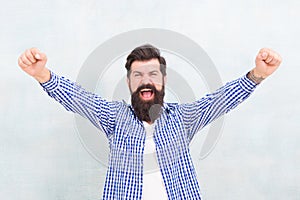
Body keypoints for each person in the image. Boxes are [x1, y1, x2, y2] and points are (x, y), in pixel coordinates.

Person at [18, 44, 282, 199]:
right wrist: (43, 74)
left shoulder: (182, 118)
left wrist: (257, 75)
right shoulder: (115, 117)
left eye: (153, 73)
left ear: (164, 80)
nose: (146, 80)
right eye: (138, 75)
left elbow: (219, 100)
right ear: (129, 82)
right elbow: (79, 98)